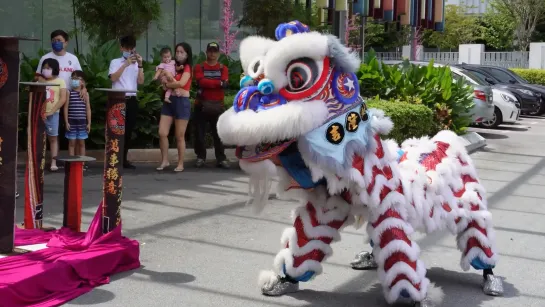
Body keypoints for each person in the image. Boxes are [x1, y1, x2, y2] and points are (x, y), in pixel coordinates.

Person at [108, 35, 144, 169]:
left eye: (131, 48)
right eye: (126, 48)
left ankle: (124, 159)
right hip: (118, 99)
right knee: (116, 130)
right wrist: (125, 64)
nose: (129, 51)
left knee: (128, 131)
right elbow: (113, 78)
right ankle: (114, 158)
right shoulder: (115, 62)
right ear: (121, 48)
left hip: (131, 99)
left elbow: (140, 81)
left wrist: (140, 65)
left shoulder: (137, 64)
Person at [156, 42, 193, 172]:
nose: (178, 54)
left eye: (181, 52)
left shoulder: (187, 67)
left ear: (187, 54)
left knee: (180, 136)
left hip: (182, 102)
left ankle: (180, 163)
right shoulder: (170, 65)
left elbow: (182, 83)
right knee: (162, 132)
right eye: (177, 52)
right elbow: (162, 81)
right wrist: (166, 84)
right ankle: (165, 161)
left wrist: (168, 85)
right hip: (169, 101)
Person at [193, 42, 229, 169]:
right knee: (199, 134)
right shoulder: (199, 67)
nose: (212, 54)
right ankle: (200, 157)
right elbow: (201, 81)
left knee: (218, 134)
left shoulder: (223, 68)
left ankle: (221, 158)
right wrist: (217, 83)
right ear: (207, 52)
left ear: (218, 53)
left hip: (218, 106)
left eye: (215, 51)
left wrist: (209, 83)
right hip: (201, 105)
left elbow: (224, 84)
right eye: (210, 51)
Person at [38, 58, 67, 171]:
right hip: (40, 114)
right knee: (40, 138)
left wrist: (52, 111)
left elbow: (63, 98)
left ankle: (53, 162)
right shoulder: (40, 81)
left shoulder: (60, 81)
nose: (46, 70)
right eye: (44, 68)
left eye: (48, 68)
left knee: (53, 138)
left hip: (53, 114)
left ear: (54, 69)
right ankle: (40, 160)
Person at [36, 29, 84, 96]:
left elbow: (80, 77)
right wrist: (42, 81)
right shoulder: (45, 58)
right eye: (53, 40)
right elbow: (37, 76)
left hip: (70, 96)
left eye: (59, 40)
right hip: (51, 96)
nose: (56, 42)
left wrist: (83, 88)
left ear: (66, 43)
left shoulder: (73, 58)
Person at [64, 70, 91, 157]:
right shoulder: (69, 93)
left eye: (76, 78)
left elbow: (88, 109)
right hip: (71, 122)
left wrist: (89, 123)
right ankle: (71, 164)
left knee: (81, 143)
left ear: (82, 82)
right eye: (72, 78)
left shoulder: (86, 94)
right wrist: (66, 121)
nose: (74, 80)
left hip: (82, 122)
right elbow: (66, 107)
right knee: (71, 143)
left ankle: (81, 163)